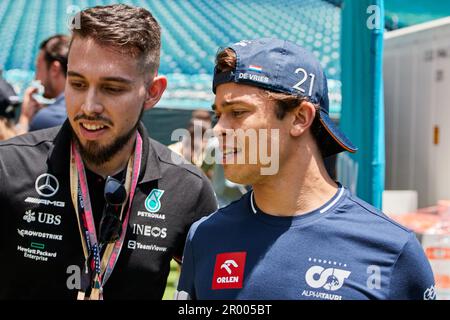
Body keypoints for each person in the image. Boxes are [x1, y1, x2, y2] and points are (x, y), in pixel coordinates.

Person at [176, 38, 436, 300]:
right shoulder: (206, 236)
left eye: (238, 112)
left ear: (300, 118)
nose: (218, 130)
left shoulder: (391, 249)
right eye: (218, 114)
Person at [0, 4, 217, 300]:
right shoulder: (8, 166)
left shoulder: (187, 189)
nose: (89, 106)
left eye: (112, 88)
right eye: (77, 83)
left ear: (153, 92)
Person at [15, 35, 70, 134]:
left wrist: (25, 118)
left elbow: (15, 149)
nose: (36, 78)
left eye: (38, 68)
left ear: (54, 69)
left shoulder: (48, 118)